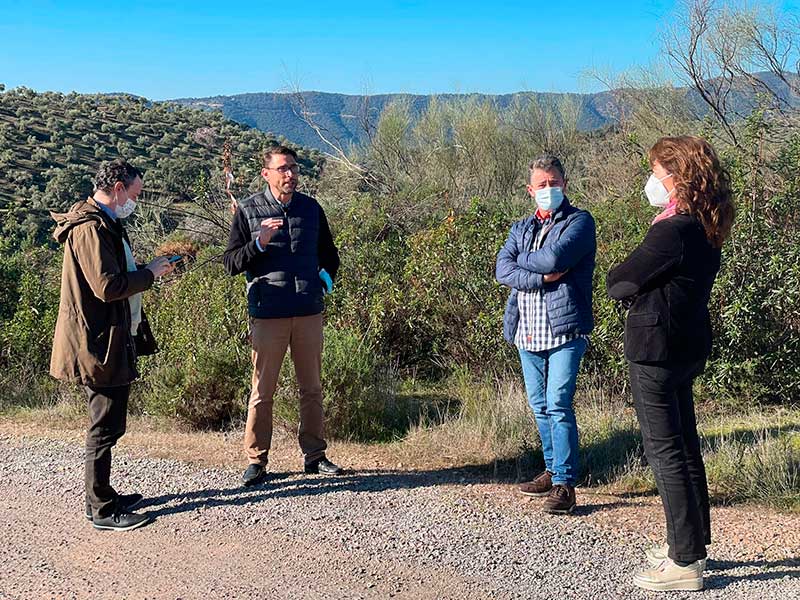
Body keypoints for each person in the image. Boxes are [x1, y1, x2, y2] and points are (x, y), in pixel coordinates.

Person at [607, 136, 735, 592]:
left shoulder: (670, 230)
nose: (652, 182)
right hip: (687, 345)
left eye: (657, 174)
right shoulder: (706, 225)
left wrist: (636, 287)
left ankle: (685, 562)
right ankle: (691, 540)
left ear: (677, 179)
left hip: (655, 350)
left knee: (666, 452)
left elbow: (620, 280)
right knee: (686, 446)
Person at [50, 159, 174, 531]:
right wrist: (149, 274)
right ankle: (101, 509)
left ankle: (100, 495)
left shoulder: (104, 222)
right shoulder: (90, 228)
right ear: (118, 187)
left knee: (108, 423)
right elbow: (107, 287)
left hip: (109, 338)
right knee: (103, 426)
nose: (135, 202)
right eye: (134, 194)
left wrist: (146, 272)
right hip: (98, 343)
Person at [224, 145, 342, 486]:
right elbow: (230, 263)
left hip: (308, 311)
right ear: (266, 174)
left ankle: (315, 456)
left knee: (312, 389)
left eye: (293, 168)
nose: (289, 174)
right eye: (282, 169)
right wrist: (258, 243)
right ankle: (257, 461)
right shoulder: (248, 210)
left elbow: (330, 254)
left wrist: (325, 277)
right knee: (262, 392)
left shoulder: (310, 209)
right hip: (268, 313)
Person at [496, 155, 596, 514]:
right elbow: (502, 268)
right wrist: (537, 276)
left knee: (558, 404)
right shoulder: (521, 228)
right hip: (527, 330)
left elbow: (556, 259)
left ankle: (565, 484)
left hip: (564, 329)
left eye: (554, 183)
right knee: (540, 407)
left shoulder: (580, 222)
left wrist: (525, 262)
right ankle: (552, 471)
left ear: (565, 184)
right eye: (542, 185)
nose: (549, 189)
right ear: (530, 190)